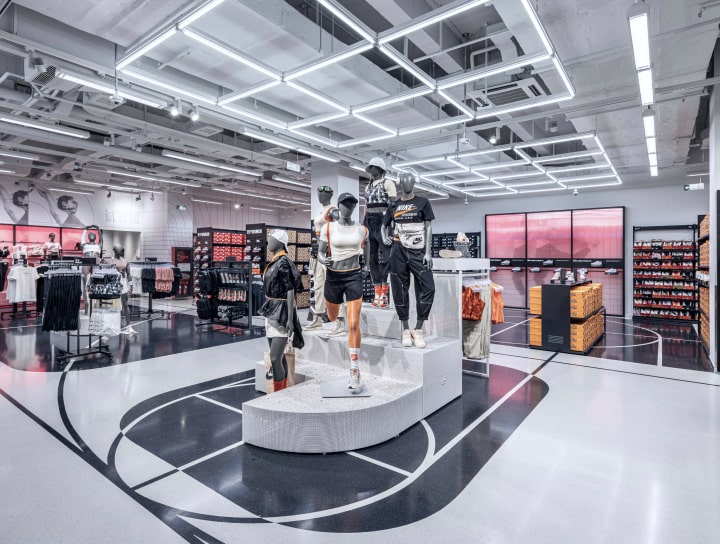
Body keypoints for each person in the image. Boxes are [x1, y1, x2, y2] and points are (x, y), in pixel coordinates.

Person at [317, 192, 370, 389]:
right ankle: (330, 316)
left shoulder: (361, 229)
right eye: (345, 204)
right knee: (331, 317)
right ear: (338, 206)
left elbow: (368, 244)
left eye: (352, 204)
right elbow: (320, 252)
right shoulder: (329, 228)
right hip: (334, 277)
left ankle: (354, 369)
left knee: (353, 323)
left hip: (354, 276)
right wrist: (323, 260)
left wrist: (367, 265)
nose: (349, 207)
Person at [382, 170, 436, 349]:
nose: (406, 183)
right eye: (403, 180)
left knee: (428, 287)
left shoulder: (423, 202)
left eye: (410, 180)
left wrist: (428, 252)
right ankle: (405, 329)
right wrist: (384, 236)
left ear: (414, 183)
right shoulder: (394, 205)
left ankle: (418, 329)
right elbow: (384, 225)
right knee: (399, 288)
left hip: (418, 251)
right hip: (398, 250)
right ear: (399, 183)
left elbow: (428, 227)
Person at [258, 230, 304, 392]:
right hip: (271, 310)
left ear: (280, 242)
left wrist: (290, 319)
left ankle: (278, 392)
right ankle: (282, 391)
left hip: (281, 312)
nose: (268, 242)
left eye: (271, 239)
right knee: (279, 356)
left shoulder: (283, 262)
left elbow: (290, 290)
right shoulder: (274, 262)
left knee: (274, 357)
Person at [364, 157, 396, 308]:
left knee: (388, 257)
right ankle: (376, 290)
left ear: (381, 169)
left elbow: (393, 206)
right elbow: (366, 206)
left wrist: (392, 227)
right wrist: (364, 225)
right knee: (372, 258)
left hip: (383, 221)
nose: (372, 170)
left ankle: (384, 289)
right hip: (370, 221)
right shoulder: (368, 186)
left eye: (374, 167)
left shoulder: (388, 183)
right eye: (371, 167)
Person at [103, 245, 136, 335]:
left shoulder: (125, 261)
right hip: (113, 283)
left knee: (125, 304)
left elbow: (129, 274)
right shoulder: (108, 261)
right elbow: (105, 273)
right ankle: (110, 326)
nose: (119, 250)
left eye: (120, 248)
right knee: (111, 305)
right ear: (113, 250)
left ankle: (128, 326)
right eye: (117, 248)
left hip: (123, 282)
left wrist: (131, 285)